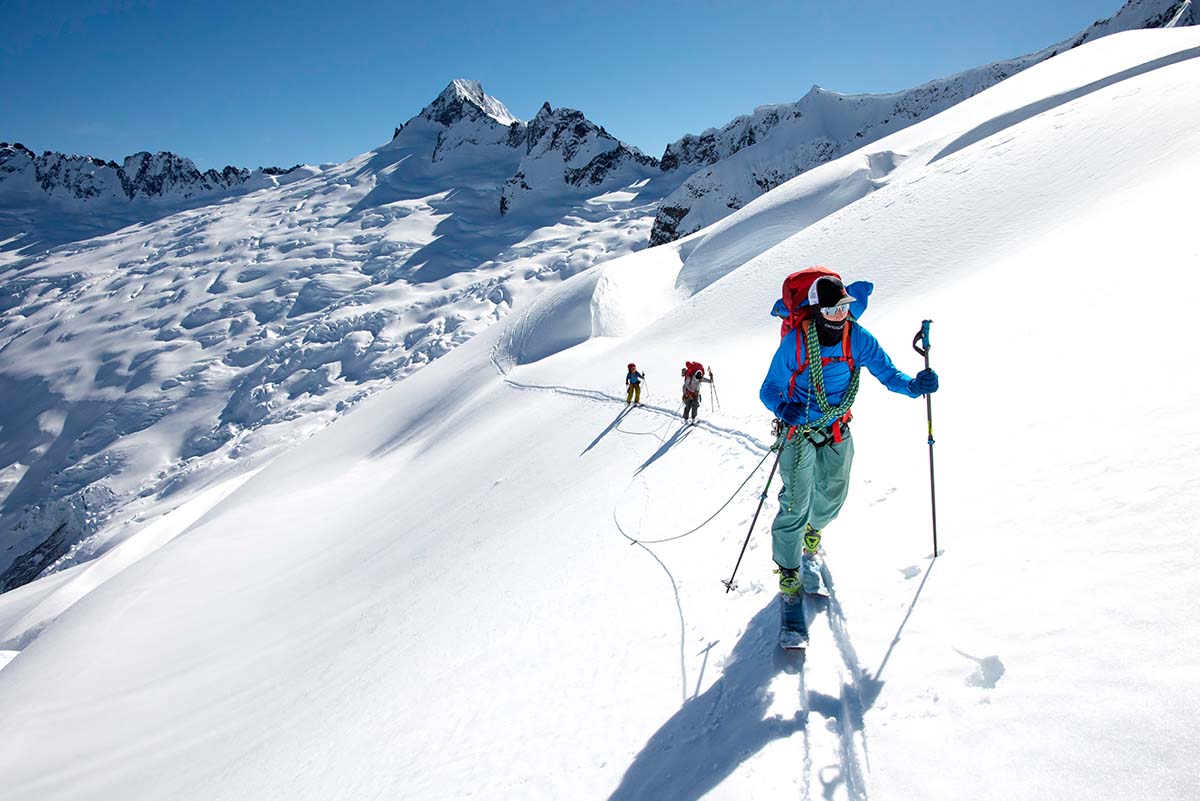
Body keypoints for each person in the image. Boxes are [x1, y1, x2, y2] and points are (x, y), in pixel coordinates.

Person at [759, 272, 938, 596]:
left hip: (838, 427)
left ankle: (813, 530)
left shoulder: (857, 338)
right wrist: (783, 408)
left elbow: (887, 372)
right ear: (815, 311)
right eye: (830, 311)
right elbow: (769, 388)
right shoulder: (796, 343)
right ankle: (788, 568)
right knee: (795, 501)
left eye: (842, 308)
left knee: (833, 493)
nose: (838, 316)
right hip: (799, 430)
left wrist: (913, 386)